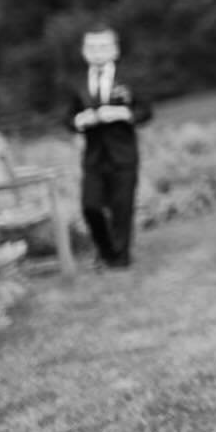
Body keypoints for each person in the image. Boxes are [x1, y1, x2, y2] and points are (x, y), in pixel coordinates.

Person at [66, 27, 151, 269]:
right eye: (92, 47)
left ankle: (120, 258)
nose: (97, 52)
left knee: (121, 207)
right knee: (90, 206)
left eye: (103, 46)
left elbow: (146, 111)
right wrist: (79, 121)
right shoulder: (76, 83)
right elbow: (67, 117)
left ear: (115, 50)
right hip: (93, 157)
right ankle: (106, 252)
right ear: (84, 52)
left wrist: (123, 112)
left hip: (123, 155)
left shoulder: (129, 78)